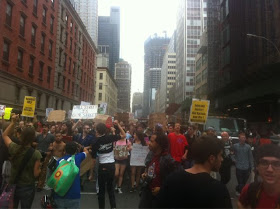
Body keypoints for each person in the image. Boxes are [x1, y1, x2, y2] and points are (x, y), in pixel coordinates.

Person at [159, 135, 232, 208]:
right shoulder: (218, 190)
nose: (222, 159)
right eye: (220, 155)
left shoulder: (172, 179)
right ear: (212, 159)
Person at [2, 114, 41, 209]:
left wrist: (13, 122)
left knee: (12, 206)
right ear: (33, 138)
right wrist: (40, 168)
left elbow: (4, 135)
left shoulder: (14, 147)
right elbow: (36, 174)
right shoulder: (36, 154)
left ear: (21, 136)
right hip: (27, 187)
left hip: (14, 184)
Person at [91, 121, 126, 209]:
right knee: (110, 189)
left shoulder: (95, 142)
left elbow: (93, 160)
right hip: (111, 166)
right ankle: (113, 207)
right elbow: (124, 135)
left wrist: (91, 173)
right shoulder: (110, 137)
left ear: (97, 131)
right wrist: (117, 125)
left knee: (101, 191)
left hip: (102, 166)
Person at [139, 129, 175, 208]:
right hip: (147, 192)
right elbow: (147, 167)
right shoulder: (151, 154)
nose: (149, 143)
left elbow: (173, 181)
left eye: (152, 141)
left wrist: (161, 188)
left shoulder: (168, 160)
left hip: (160, 198)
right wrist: (145, 174)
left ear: (159, 144)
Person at [238, 144, 280, 209]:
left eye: (276, 164)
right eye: (264, 163)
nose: (270, 169)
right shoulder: (249, 190)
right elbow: (240, 203)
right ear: (257, 166)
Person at [53, 141, 89, 209]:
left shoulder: (59, 161)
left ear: (65, 150)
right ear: (76, 150)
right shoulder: (77, 158)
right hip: (74, 194)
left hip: (59, 194)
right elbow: (86, 151)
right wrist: (79, 145)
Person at [233, 132, 254, 196]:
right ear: (239, 138)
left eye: (244, 138)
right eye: (242, 138)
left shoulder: (248, 147)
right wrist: (234, 160)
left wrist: (252, 167)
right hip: (239, 167)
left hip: (246, 167)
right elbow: (232, 154)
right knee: (240, 181)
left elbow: (250, 157)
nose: (243, 139)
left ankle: (238, 189)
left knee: (244, 182)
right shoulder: (235, 146)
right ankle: (241, 193)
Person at [36, 123, 55, 191]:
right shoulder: (38, 136)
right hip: (38, 154)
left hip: (47, 155)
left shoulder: (51, 136)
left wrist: (50, 149)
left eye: (46, 127)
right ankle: (37, 182)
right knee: (37, 168)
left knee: (44, 170)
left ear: (48, 128)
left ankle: (40, 185)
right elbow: (35, 143)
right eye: (43, 127)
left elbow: (53, 145)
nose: (44, 128)